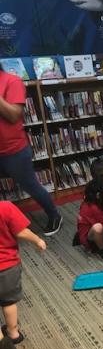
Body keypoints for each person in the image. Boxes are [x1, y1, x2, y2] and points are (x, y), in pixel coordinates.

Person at [0, 65, 62, 236]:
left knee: (31, 186)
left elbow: (13, 115)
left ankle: (54, 215)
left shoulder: (12, 81)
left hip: (13, 150)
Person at [0, 201, 46, 349]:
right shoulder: (5, 207)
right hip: (8, 266)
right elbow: (20, 231)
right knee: (9, 301)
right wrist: (37, 240)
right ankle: (13, 334)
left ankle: (2, 343)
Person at [75, 178, 103, 262]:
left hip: (90, 227)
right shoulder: (94, 208)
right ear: (99, 195)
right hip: (88, 236)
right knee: (98, 227)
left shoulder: (92, 202)